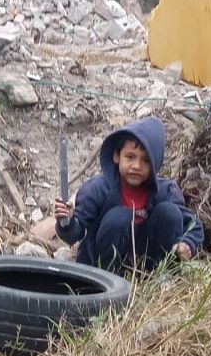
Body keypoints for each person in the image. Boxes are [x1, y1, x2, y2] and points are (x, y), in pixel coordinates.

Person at [54, 117, 203, 274]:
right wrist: (67, 221)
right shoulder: (98, 189)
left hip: (147, 268)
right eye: (130, 157)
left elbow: (194, 225)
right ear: (117, 156)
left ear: (155, 164)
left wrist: (186, 244)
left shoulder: (166, 191)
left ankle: (160, 277)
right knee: (119, 217)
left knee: (170, 213)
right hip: (104, 269)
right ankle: (108, 279)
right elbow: (73, 235)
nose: (137, 166)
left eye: (146, 160)